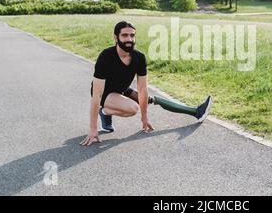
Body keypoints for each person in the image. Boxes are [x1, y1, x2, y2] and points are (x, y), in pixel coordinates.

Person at [80, 21, 212, 146]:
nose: (129, 39)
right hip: (105, 93)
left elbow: (142, 89)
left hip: (122, 89)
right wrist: (93, 128)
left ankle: (196, 112)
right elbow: (96, 95)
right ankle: (104, 111)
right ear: (116, 37)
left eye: (132, 35)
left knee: (149, 99)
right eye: (125, 35)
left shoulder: (139, 57)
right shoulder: (106, 56)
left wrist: (145, 118)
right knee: (132, 108)